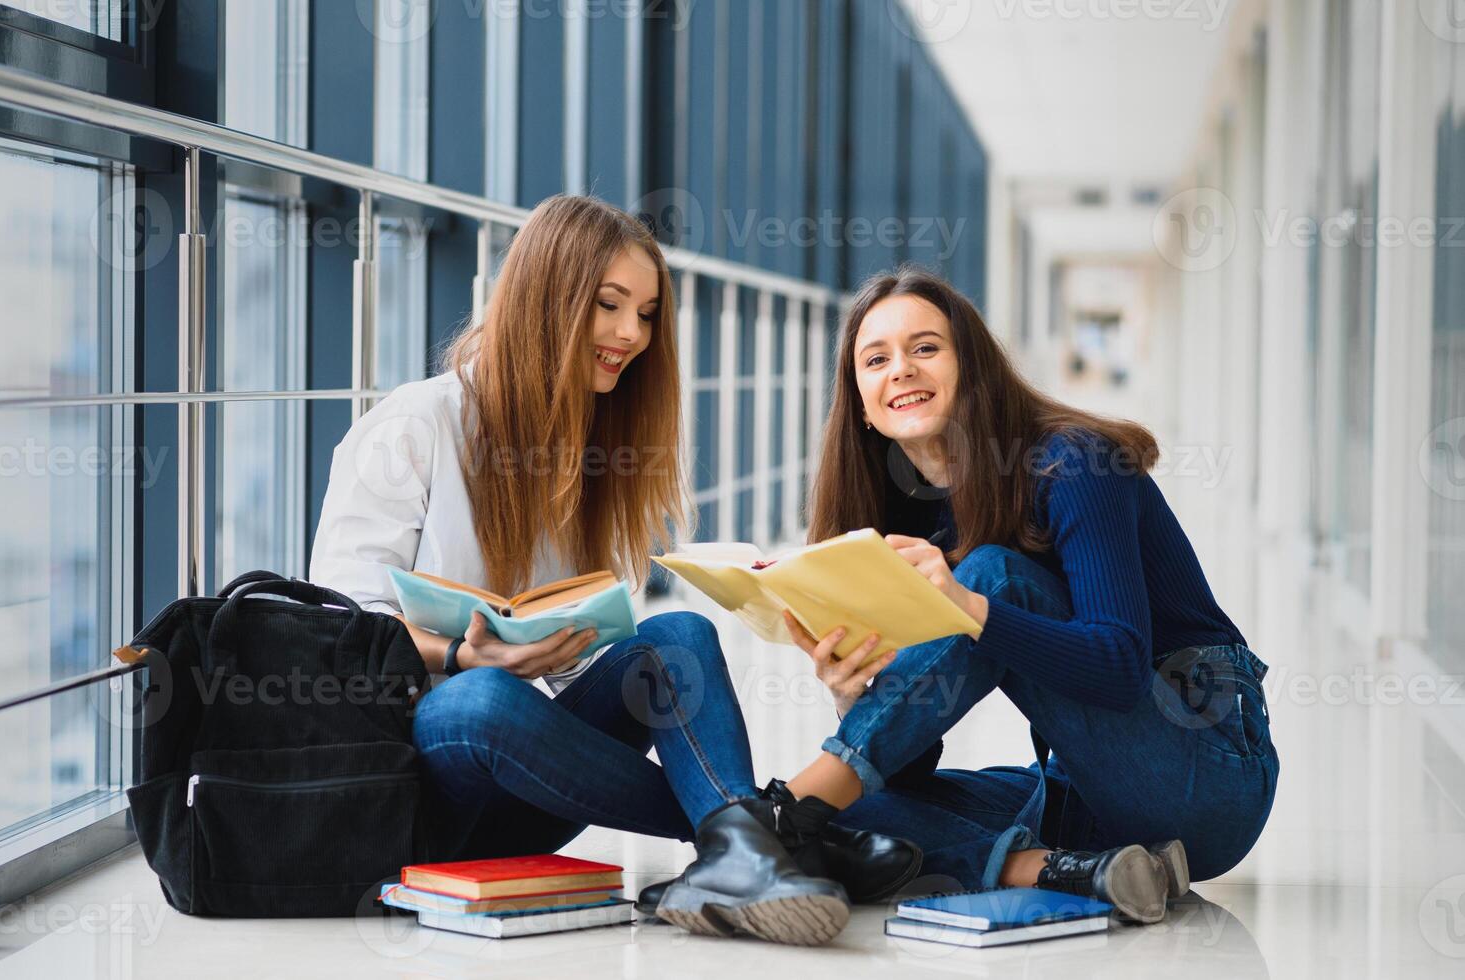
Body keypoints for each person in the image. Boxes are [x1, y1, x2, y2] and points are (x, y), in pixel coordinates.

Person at [308, 195, 915, 947]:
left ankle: (741, 846)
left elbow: (585, 668)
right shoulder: (413, 425)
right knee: (481, 698)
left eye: (647, 314)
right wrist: (466, 654)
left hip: (533, 787)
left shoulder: (582, 454)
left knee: (677, 636)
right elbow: (338, 631)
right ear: (545, 299)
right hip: (423, 788)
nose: (632, 333)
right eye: (608, 305)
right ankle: (776, 835)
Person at [727, 265, 1277, 923]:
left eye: (925, 347)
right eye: (876, 359)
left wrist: (967, 606)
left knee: (993, 575)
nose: (900, 369)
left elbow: (1121, 667)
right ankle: (1072, 871)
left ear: (972, 367)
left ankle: (784, 811)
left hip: (1204, 777)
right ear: (862, 403)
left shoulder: (1075, 462)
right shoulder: (914, 522)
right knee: (860, 815)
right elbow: (907, 766)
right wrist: (853, 691)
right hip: (1086, 799)